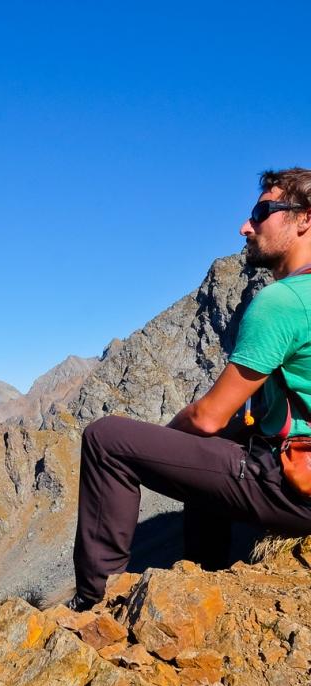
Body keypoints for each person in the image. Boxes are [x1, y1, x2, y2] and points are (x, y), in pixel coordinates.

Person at [68, 167, 311, 611]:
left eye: (261, 212)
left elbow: (208, 416)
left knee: (106, 438)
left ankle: (93, 603)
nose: (246, 226)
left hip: (293, 487)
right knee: (221, 445)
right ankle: (202, 581)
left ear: (303, 220)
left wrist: (169, 439)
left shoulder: (283, 302)